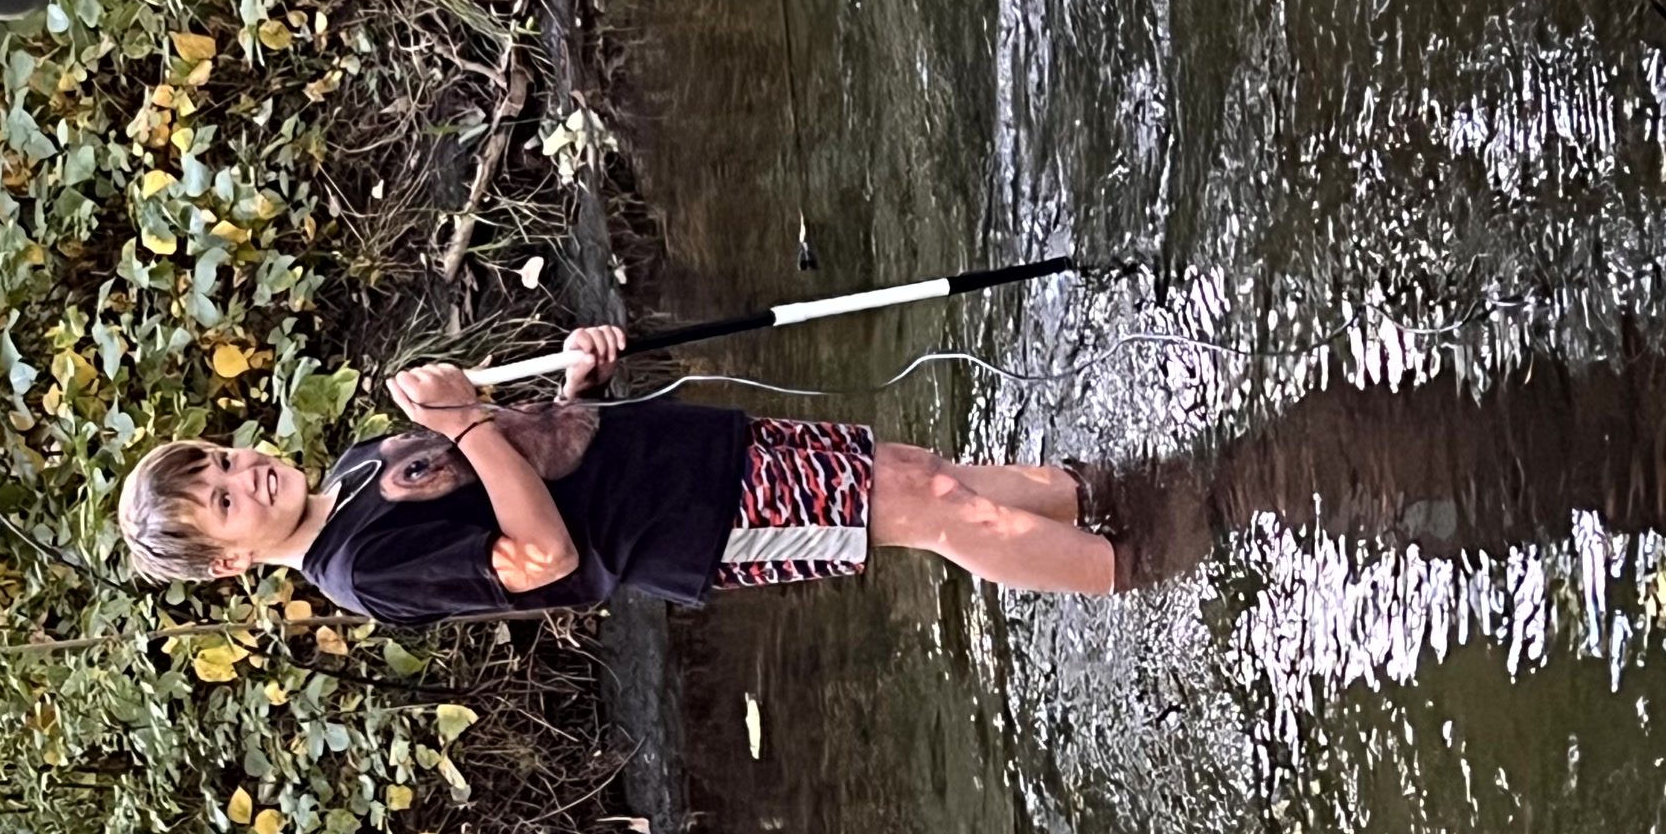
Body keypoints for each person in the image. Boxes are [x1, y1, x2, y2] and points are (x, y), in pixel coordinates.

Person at [116, 324, 1160, 623]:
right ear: (227, 565)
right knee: (933, 510)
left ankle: (1127, 497)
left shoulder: (351, 468)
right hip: (685, 523)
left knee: (928, 471)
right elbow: (539, 553)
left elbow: (528, 451)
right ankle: (1146, 560)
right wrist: (470, 419)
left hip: (676, 452)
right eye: (219, 499)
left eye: (220, 456)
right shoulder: (362, 573)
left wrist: (572, 382)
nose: (242, 471)